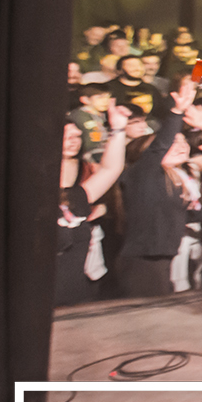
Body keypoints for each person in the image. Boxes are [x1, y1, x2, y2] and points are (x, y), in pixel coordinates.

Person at [115, 79, 202, 300]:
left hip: (164, 257)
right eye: (174, 142)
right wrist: (177, 112)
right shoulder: (143, 173)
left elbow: (174, 213)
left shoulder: (176, 178)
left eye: (183, 142)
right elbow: (160, 146)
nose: (181, 146)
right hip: (143, 260)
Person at [58, 104, 130, 306]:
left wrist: (118, 129)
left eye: (77, 136)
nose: (74, 141)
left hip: (76, 300)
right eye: (66, 136)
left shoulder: (76, 196)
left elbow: (111, 169)